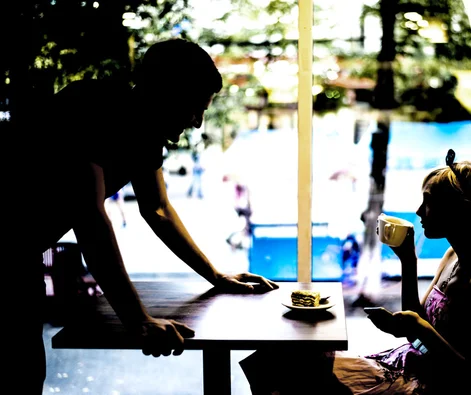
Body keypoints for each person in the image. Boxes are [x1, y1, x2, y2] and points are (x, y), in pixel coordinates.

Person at [9, 38, 278, 395]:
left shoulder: (146, 134)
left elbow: (158, 209)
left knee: (27, 375)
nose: (197, 124)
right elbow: (90, 218)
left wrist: (216, 275)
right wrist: (138, 321)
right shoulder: (88, 106)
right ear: (166, 91)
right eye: (195, 108)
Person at [240, 149, 471, 395]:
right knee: (280, 356)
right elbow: (414, 333)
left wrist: (419, 327)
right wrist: (407, 262)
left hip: (421, 385)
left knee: (294, 369)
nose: (419, 211)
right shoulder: (452, 256)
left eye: (429, 202)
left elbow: (468, 377)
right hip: (403, 365)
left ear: (459, 211)